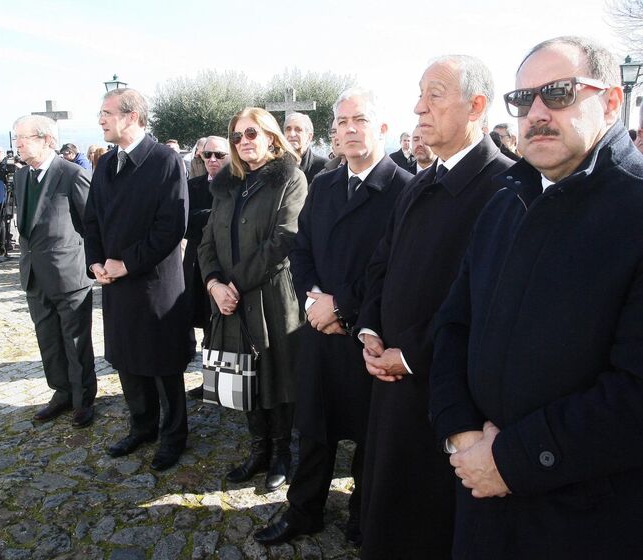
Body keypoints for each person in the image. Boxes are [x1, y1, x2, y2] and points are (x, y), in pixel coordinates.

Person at [430, 36, 643, 559]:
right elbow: (454, 323)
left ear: (611, 101)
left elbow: (635, 392)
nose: (537, 113)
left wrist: (513, 460)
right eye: (523, 100)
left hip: (586, 519)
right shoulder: (506, 201)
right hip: (480, 496)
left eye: (559, 93)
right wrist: (460, 433)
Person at [355, 55, 512, 559]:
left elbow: (482, 301)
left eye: (435, 95)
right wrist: (369, 330)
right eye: (420, 95)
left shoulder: (506, 187)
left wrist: (411, 355)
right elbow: (382, 262)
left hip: (444, 392)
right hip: (387, 378)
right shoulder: (419, 181)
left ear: (477, 106)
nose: (418, 108)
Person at [254, 88, 411, 547]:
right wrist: (313, 300)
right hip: (320, 331)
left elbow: (393, 270)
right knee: (315, 430)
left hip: (369, 334)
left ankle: (366, 515)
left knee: (369, 437)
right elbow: (302, 252)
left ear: (381, 127)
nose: (347, 130)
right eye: (340, 123)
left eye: (358, 120)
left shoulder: (404, 189)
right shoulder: (323, 183)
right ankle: (304, 510)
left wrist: (343, 308)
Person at [198, 107, 306, 491]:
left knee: (275, 377)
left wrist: (234, 285)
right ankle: (258, 449)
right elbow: (206, 241)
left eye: (252, 134)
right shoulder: (226, 184)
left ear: (271, 138)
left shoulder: (290, 178)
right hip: (227, 299)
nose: (244, 141)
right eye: (238, 136)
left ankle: (280, 453)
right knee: (241, 374)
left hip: (271, 297)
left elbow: (282, 243)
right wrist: (213, 284)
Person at [85, 88, 190, 471]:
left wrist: (125, 264)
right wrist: (95, 262)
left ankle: (174, 435)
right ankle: (142, 426)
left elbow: (170, 227)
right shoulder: (105, 164)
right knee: (128, 360)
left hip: (154, 285)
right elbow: (91, 219)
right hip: (115, 285)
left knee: (163, 364)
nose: (100, 120)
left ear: (131, 116)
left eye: (106, 112)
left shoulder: (165, 161)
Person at [11, 115, 96, 429]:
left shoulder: (72, 174)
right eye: (15, 137)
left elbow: (92, 225)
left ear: (46, 139)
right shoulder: (21, 177)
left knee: (75, 342)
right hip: (34, 274)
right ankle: (61, 392)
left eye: (23, 137)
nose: (17, 144)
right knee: (47, 339)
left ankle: (84, 399)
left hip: (68, 275)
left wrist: (95, 264)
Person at [183, 136, 229, 399]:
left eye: (219, 155)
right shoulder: (192, 186)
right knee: (207, 326)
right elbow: (183, 224)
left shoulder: (238, 185)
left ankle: (228, 381)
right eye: (207, 155)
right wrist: (214, 216)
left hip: (228, 268)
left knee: (225, 326)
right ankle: (210, 382)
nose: (212, 160)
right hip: (198, 265)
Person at [284, 112, 326, 183]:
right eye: (288, 129)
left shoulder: (324, 168)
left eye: (298, 129)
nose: (292, 134)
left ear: (309, 137)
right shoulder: (273, 167)